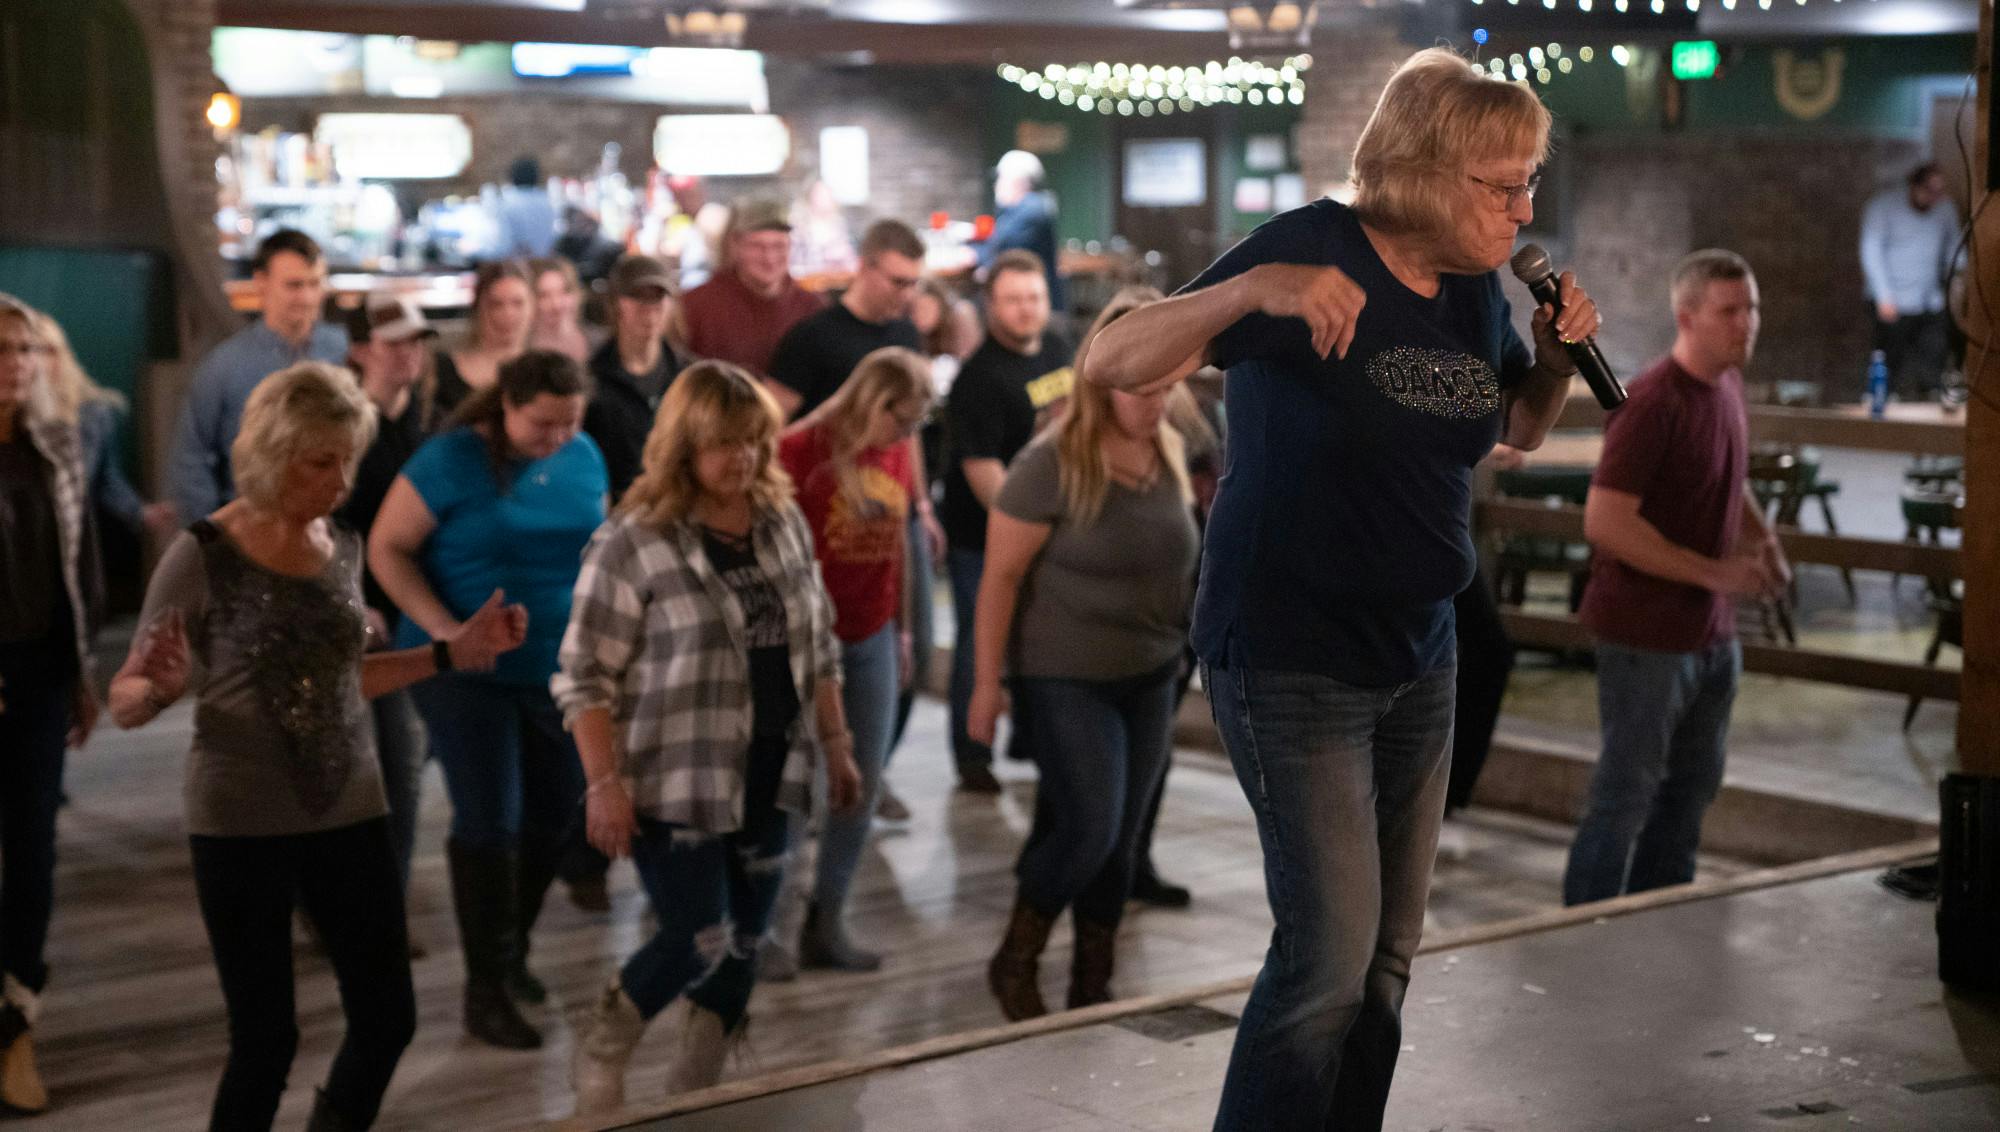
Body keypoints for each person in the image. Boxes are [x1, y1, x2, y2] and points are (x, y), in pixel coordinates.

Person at [1083, 49, 1596, 1131]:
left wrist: (1549, 362)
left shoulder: (1467, 289)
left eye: (1527, 184)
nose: (1522, 208)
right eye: (1500, 184)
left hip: (1420, 651)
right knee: (1324, 962)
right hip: (1291, 652)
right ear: (1421, 170)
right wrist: (1246, 290)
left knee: (1384, 962)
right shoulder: (1305, 247)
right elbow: (1110, 364)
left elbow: (1506, 431)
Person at [109, 361, 526, 1131]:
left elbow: (341, 680)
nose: (341, 481)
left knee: (388, 1018)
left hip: (350, 806)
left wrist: (448, 653)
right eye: (320, 461)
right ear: (272, 455)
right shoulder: (204, 554)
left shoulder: (341, 545)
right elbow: (128, 698)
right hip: (240, 822)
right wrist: (156, 689)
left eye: (349, 459)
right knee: (266, 1041)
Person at [559, 361, 861, 1113]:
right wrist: (604, 784)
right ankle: (607, 1036)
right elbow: (583, 675)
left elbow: (818, 641)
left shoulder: (781, 521)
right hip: (676, 777)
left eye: (756, 441)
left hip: (773, 769)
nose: (746, 460)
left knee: (747, 948)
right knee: (700, 932)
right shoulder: (634, 540)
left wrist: (839, 743)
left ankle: (694, 1089)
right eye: (725, 443)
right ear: (682, 446)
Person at [970, 289, 1200, 1020]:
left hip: (1152, 670)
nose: (1156, 401)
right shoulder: (1052, 460)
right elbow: (999, 578)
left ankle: (1091, 984)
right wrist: (984, 685)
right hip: (1066, 672)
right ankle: (1016, 957)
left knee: (1123, 841)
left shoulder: (1167, 449)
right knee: (1091, 826)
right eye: (1143, 385)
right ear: (1105, 375)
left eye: (1168, 384)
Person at [368, 351, 607, 1050]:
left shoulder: (584, 453)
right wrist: (444, 632)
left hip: (557, 667)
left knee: (556, 814)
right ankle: (486, 989)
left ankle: (512, 953)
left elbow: (600, 542)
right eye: (543, 423)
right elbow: (387, 548)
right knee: (491, 821)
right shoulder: (450, 460)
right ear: (506, 404)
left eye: (570, 422)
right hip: (463, 670)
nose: (558, 436)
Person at [1563, 250, 1788, 906]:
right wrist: (1717, 572)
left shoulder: (1727, 386)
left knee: (1693, 788)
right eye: (1730, 311)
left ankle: (1660, 916)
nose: (1747, 323)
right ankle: (1587, 928)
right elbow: (1605, 522)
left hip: (1711, 632)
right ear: (1686, 317)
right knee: (1626, 791)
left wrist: (1763, 537)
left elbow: (1725, 472)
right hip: (1647, 631)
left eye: (1752, 309)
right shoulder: (1653, 400)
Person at [776, 347, 932, 973]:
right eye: (905, 421)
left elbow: (896, 545)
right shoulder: (796, 452)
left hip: (870, 638)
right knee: (792, 791)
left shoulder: (895, 448)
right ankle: (773, 929)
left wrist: (901, 630)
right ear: (874, 403)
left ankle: (828, 918)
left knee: (856, 786)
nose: (910, 435)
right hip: (804, 640)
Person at [0, 297, 102, 1117]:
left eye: (27, 349)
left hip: (36, 676)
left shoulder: (56, 447)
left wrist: (82, 673)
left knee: (32, 853)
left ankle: (17, 1022)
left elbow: (80, 567)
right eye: (4, 349)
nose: (17, 363)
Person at [940, 249, 1074, 794]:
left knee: (1039, 640)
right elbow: (983, 476)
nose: (1026, 310)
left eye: (1035, 298)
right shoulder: (977, 380)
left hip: (1052, 528)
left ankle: (1031, 739)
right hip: (984, 538)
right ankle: (972, 752)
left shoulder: (1062, 351)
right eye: (1014, 300)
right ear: (991, 306)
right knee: (979, 640)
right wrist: (1030, 524)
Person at [337, 295, 441, 905]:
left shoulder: (425, 424)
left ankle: (381, 906)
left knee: (401, 769)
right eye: (394, 342)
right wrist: (351, 598)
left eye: (417, 341)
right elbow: (323, 523)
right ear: (359, 351)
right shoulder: (344, 428)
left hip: (409, 615)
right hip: (354, 619)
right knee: (365, 769)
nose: (411, 353)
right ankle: (350, 906)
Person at [167, 228, 348, 523]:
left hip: (331, 525)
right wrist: (214, 537)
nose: (306, 297)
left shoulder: (344, 352)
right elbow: (191, 459)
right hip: (253, 527)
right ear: (261, 283)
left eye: (315, 284)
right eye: (293, 285)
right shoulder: (224, 366)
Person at [766, 219, 927, 421]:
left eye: (914, 283)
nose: (907, 294)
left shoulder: (907, 333)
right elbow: (770, 424)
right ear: (864, 267)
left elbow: (908, 428)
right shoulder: (813, 336)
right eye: (898, 282)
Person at [40, 318, 176, 554]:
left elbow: (106, 479)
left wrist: (140, 512)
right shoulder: (11, 417)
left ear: (62, 356)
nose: (38, 361)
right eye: (27, 350)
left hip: (73, 541)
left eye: (47, 350)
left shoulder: (92, 414)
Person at [680, 198, 825, 379]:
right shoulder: (696, 305)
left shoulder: (812, 308)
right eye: (757, 246)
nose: (769, 258)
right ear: (734, 244)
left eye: (779, 246)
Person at [586, 254, 687, 501]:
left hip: (679, 505)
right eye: (637, 296)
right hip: (617, 511)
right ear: (616, 303)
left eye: (658, 296)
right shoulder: (591, 379)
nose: (649, 307)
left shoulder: (689, 376)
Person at [1859, 160, 1961, 400]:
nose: (1934, 198)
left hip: (1928, 298)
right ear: (1914, 187)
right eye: (1929, 191)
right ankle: (1884, 396)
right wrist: (1884, 294)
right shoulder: (1883, 207)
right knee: (1889, 357)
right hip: (1893, 297)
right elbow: (1871, 249)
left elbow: (1954, 247)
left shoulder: (1945, 209)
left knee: (1934, 352)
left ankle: (1931, 394)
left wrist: (1958, 280)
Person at [434, 260, 536, 418]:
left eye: (518, 303)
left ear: (532, 308)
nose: (508, 314)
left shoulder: (545, 372)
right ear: (478, 307)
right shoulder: (440, 369)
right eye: (496, 304)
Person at [980, 150, 1066, 315]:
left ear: (1019, 182)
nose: (997, 185)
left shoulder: (1032, 211)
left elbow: (1005, 246)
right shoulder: (1017, 210)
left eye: (1002, 179)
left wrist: (980, 259)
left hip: (1037, 304)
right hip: (1028, 299)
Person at [528, 257, 595, 365]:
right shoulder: (518, 351)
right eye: (544, 296)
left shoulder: (601, 344)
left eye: (564, 292)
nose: (557, 305)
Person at [789, 178, 859, 276]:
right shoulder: (800, 229)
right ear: (810, 198)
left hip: (837, 280)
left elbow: (851, 262)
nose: (824, 199)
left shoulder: (840, 226)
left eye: (827, 195)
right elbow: (794, 265)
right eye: (819, 195)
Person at [496, 156, 557, 258]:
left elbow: (503, 243)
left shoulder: (507, 202)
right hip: (543, 262)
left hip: (516, 264)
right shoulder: (546, 202)